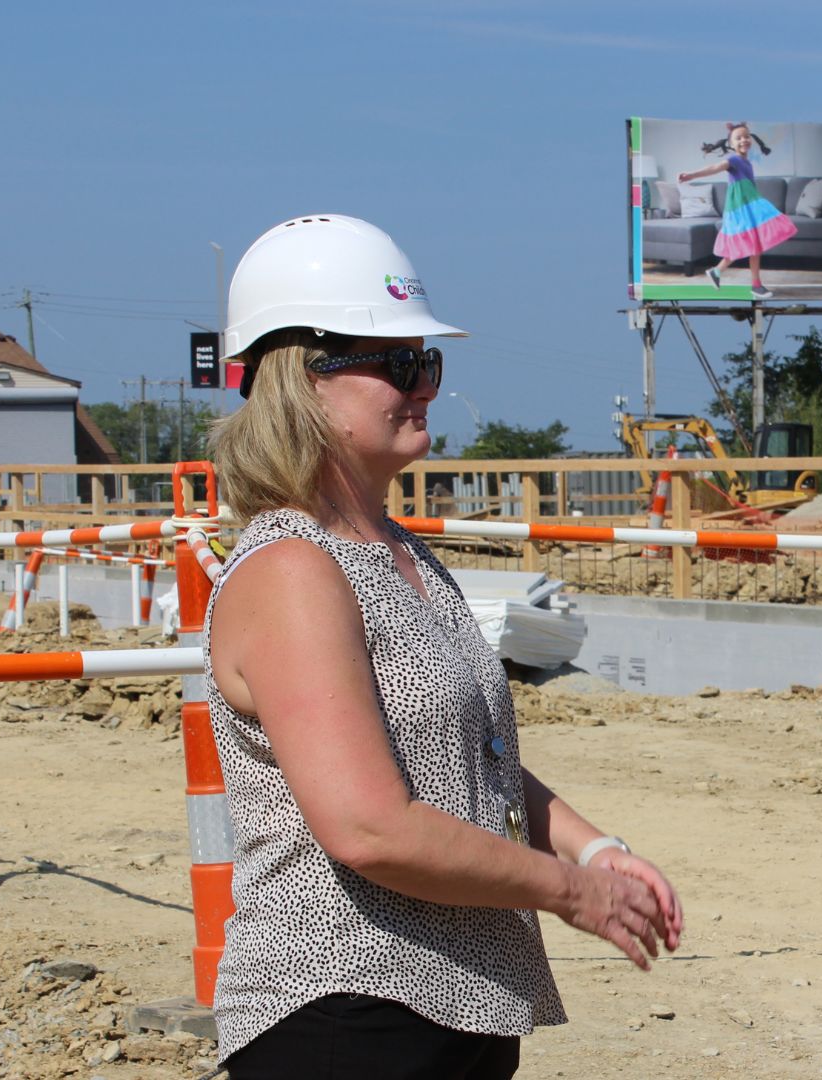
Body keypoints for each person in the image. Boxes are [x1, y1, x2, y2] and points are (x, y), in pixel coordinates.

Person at [204, 214, 683, 1079]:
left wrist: (594, 849)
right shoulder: (292, 571)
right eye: (395, 362)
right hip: (348, 1016)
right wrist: (571, 893)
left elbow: (471, 759)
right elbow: (369, 826)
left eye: (426, 359)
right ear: (297, 380)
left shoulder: (396, 552)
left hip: (447, 1010)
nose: (420, 382)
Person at [677, 121, 796, 299]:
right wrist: (691, 175)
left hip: (751, 205)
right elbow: (714, 168)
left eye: (746, 136)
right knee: (751, 244)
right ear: (731, 144)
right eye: (738, 138)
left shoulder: (747, 162)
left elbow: (749, 186)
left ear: (751, 139)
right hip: (740, 208)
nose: (743, 140)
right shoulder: (733, 160)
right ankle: (755, 285)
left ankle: (718, 272)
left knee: (752, 244)